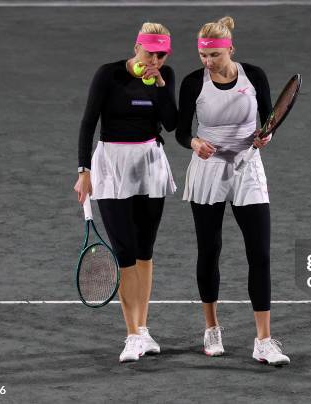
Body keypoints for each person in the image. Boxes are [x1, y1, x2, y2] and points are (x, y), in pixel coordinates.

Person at [176, 16, 290, 366]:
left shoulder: (253, 76)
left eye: (214, 55)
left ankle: (264, 340)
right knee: (209, 250)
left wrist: (266, 136)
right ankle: (212, 329)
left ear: (230, 50)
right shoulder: (193, 82)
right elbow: (181, 131)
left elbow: (269, 119)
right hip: (208, 170)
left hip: (247, 168)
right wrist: (194, 142)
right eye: (202, 55)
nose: (207, 62)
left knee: (260, 254)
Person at [73, 22, 177, 363]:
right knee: (125, 252)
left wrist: (161, 86)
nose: (156, 60)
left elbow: (172, 123)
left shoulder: (166, 75)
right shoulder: (108, 75)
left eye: (162, 55)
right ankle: (131, 334)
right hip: (112, 167)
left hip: (150, 165)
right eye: (150, 53)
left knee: (145, 251)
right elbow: (89, 122)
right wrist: (83, 171)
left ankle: (144, 330)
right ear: (137, 47)